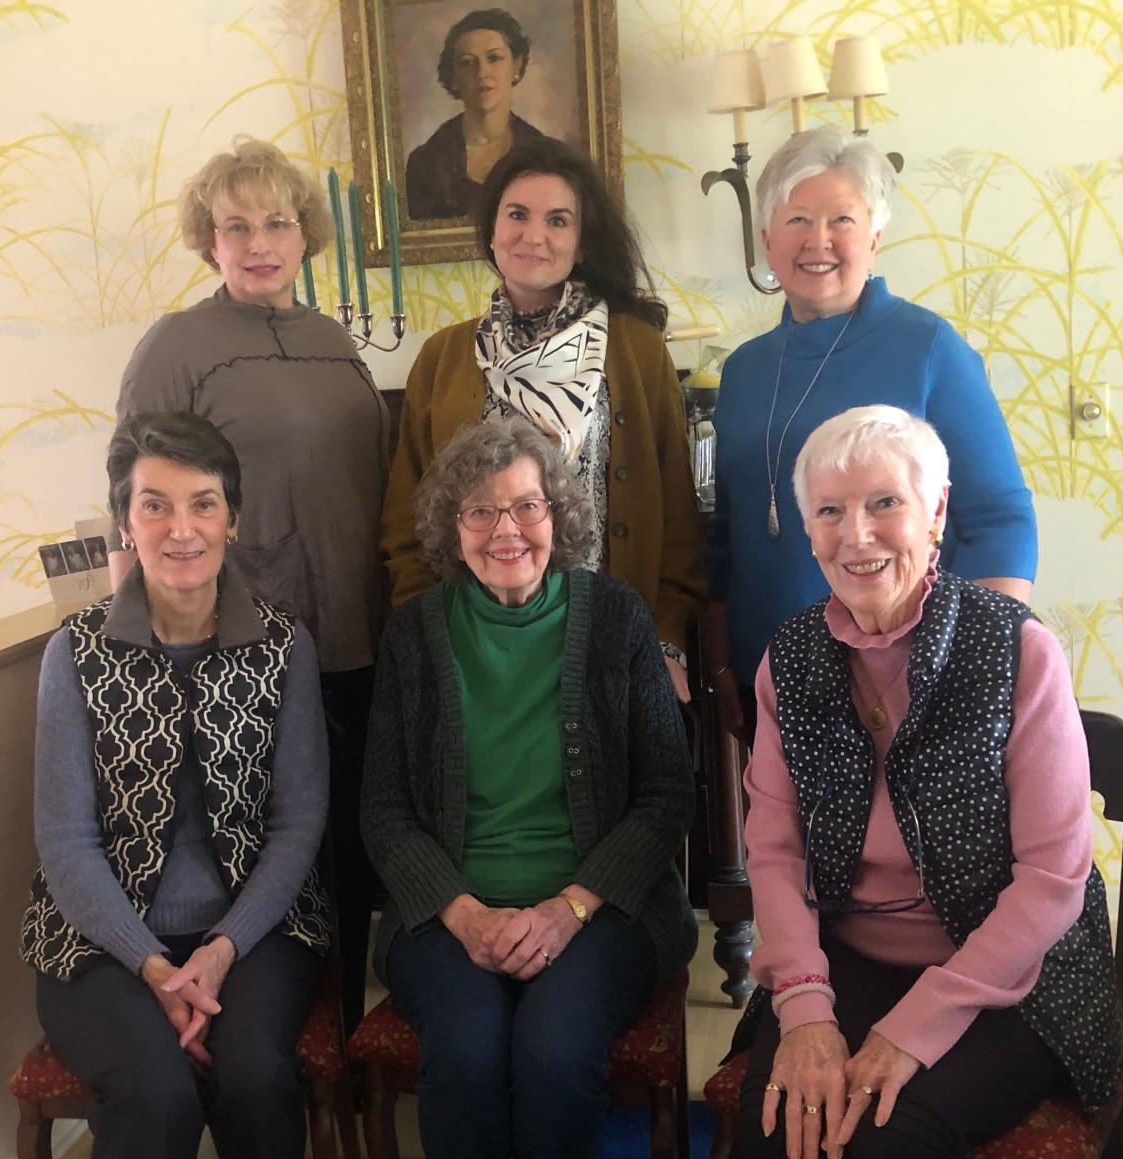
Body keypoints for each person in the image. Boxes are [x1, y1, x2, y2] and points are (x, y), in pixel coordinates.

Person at [735, 406, 1121, 1159]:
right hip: (856, 950)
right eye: (831, 511)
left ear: (937, 511)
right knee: (782, 1124)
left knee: (893, 1137)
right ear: (807, 532)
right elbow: (772, 851)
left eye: (885, 504)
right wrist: (804, 1013)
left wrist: (910, 1033)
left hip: (1016, 973)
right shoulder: (790, 660)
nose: (857, 535)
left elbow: (1054, 882)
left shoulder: (1015, 650)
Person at [362, 419, 698, 1159]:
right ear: (452, 529)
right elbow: (384, 810)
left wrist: (568, 908)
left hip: (601, 910)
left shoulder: (616, 617)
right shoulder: (415, 634)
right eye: (480, 512)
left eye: (526, 507)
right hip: (450, 915)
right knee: (468, 1057)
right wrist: (465, 914)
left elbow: (665, 795)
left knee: (554, 1058)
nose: (506, 531)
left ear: (561, 516)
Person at [22, 412, 331, 1159]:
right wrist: (158, 970)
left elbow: (298, 824)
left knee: (259, 1075)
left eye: (202, 503)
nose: (181, 528)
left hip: (256, 931)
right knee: (153, 1088)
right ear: (126, 519)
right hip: (99, 942)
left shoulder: (280, 647)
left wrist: (219, 955)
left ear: (233, 516)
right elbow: (65, 840)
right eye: (154, 505)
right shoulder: (75, 652)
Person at [111, 137, 389, 1036]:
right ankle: (258, 1049)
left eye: (277, 222)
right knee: (270, 852)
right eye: (238, 226)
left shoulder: (331, 338)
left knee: (352, 846)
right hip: (243, 652)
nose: (260, 241)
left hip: (357, 639)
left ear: (305, 234)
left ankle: (339, 1042)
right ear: (210, 240)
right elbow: (134, 496)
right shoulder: (178, 348)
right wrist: (139, 642)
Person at [704, 125, 1038, 743]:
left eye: (842, 221)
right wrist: (721, 659)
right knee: (781, 841)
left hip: (905, 680)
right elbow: (726, 535)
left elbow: (1001, 520)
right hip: (772, 678)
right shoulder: (744, 369)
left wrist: (972, 666)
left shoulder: (929, 348)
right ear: (766, 238)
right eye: (798, 219)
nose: (819, 241)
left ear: (876, 238)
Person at [383, 135, 705, 701]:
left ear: (581, 243)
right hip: (478, 651)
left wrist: (666, 642)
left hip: (615, 649)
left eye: (558, 220)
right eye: (517, 215)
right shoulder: (442, 357)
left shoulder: (636, 349)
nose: (534, 235)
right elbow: (406, 522)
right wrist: (429, 637)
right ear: (491, 229)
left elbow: (677, 517)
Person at [405, 7, 543, 219]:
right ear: (453, 77)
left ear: (516, 65)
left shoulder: (542, 155)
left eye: (494, 58)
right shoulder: (426, 163)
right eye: (468, 62)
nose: (482, 73)